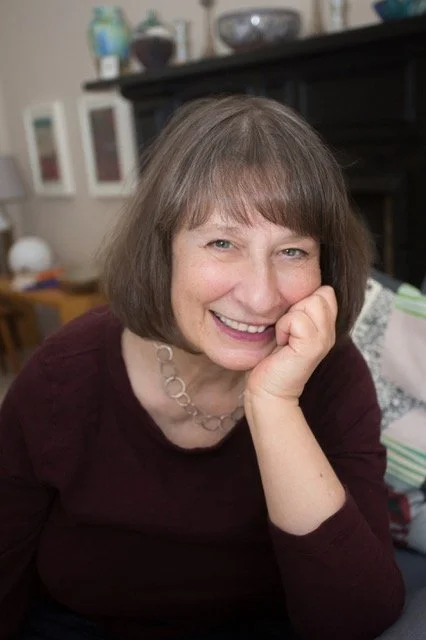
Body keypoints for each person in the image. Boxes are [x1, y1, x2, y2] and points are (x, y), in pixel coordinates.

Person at [0, 95, 405, 640]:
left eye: (292, 252)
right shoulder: (61, 376)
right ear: (162, 250)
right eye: (222, 242)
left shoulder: (333, 376)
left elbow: (357, 619)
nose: (261, 297)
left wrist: (274, 405)